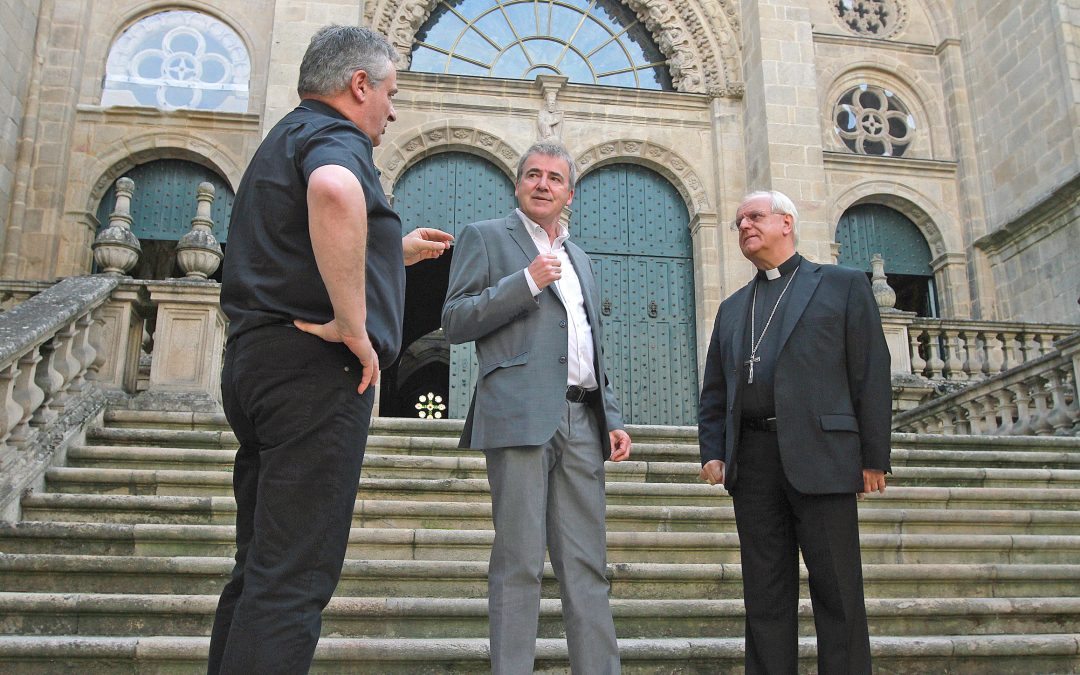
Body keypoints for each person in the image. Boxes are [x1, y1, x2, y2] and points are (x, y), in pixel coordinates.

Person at [209, 25, 452, 674]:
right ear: (359, 85)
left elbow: (292, 243)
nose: (393, 111)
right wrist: (353, 323)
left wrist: (389, 251)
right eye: (391, 93)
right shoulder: (335, 136)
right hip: (310, 374)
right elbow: (335, 193)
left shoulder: (284, 135)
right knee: (293, 581)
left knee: (260, 569)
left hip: (255, 363)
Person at [442, 140, 631, 675]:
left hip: (582, 422)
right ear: (518, 183)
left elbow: (591, 343)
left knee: (586, 565)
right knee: (519, 561)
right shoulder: (486, 237)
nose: (542, 184)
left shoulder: (581, 259)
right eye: (532, 175)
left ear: (570, 192)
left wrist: (610, 416)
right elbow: (455, 321)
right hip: (518, 417)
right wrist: (524, 282)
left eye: (554, 177)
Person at [698, 190, 892, 674]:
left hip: (824, 455)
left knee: (839, 593)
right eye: (739, 220)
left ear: (787, 222)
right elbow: (715, 389)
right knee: (764, 595)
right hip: (754, 462)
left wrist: (874, 456)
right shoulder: (733, 307)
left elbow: (870, 371)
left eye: (755, 217)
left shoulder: (842, 285)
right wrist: (713, 450)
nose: (744, 225)